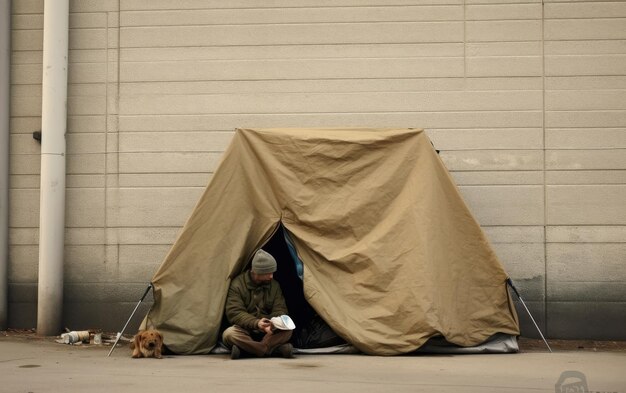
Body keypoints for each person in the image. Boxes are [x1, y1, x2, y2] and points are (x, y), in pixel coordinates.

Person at [222, 249, 294, 359]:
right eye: (268, 273)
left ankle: (248, 351)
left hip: (268, 332)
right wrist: (256, 323)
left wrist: (272, 323)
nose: (271, 276)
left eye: (272, 272)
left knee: (288, 330)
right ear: (256, 272)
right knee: (229, 334)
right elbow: (235, 313)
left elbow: (280, 309)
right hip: (245, 329)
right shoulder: (237, 285)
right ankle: (271, 350)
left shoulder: (274, 286)